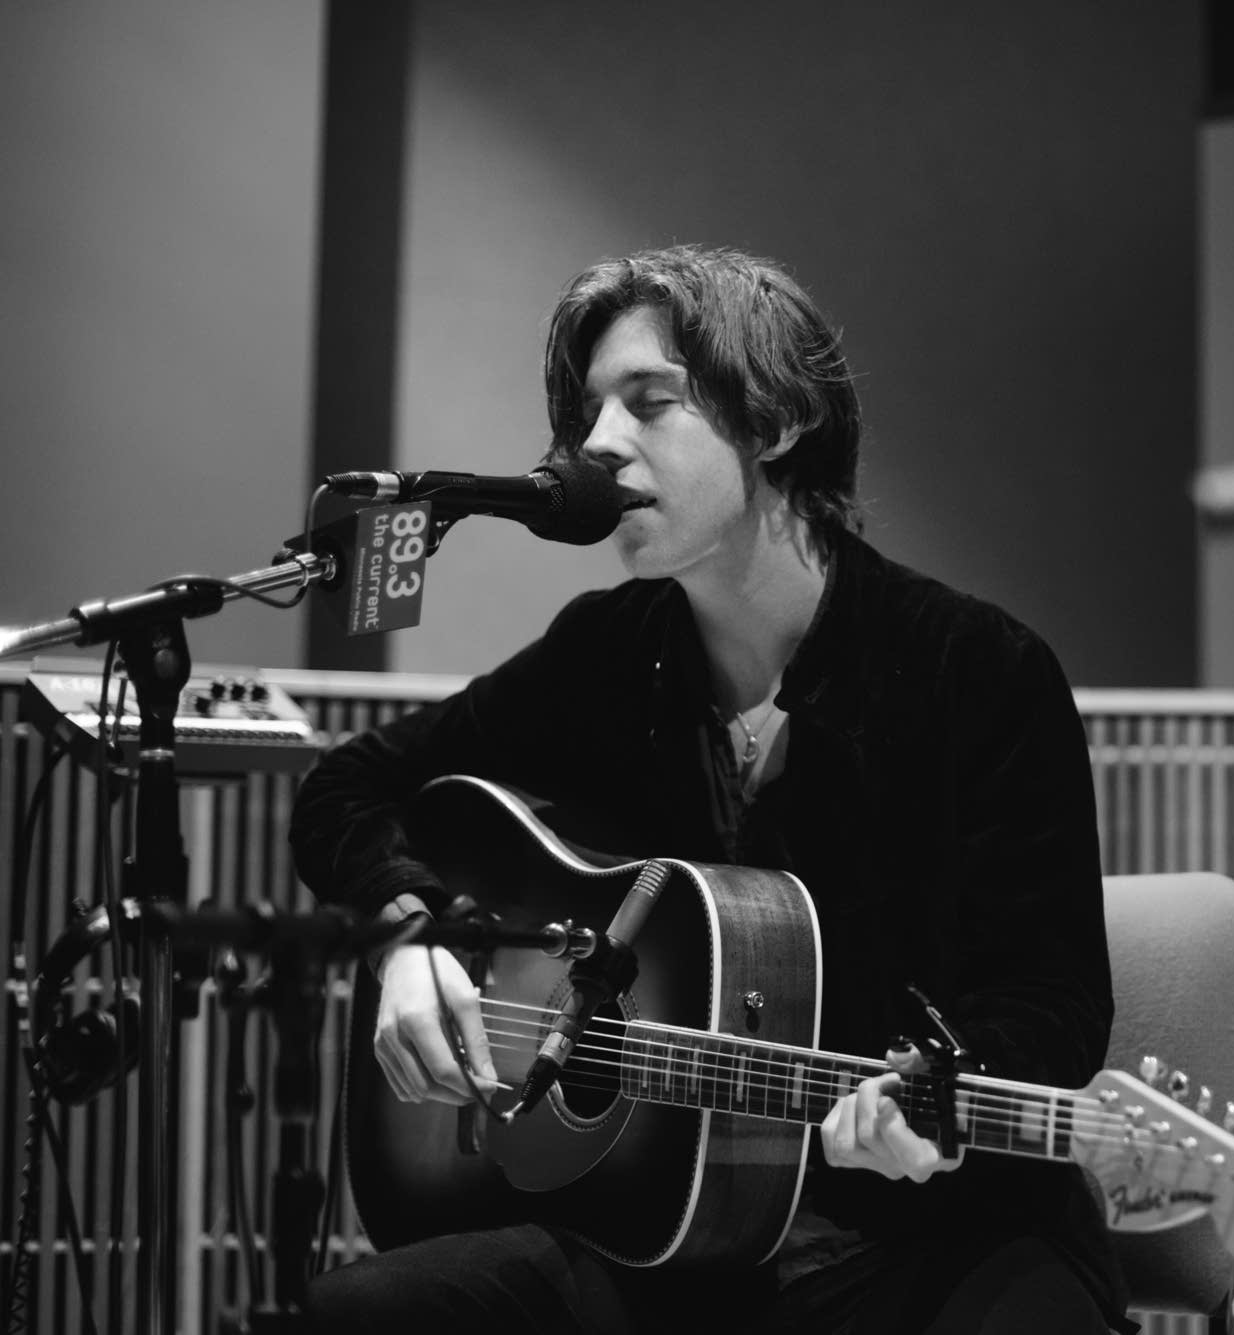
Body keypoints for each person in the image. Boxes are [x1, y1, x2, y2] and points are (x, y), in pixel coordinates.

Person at [289, 244, 1131, 1334]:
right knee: (367, 1316)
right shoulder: (607, 657)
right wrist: (413, 939)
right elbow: (350, 787)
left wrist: (937, 1088)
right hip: (663, 1243)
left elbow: (1053, 1002)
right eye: (589, 411)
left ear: (775, 422)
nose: (596, 444)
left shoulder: (976, 672)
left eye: (649, 403)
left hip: (937, 1238)